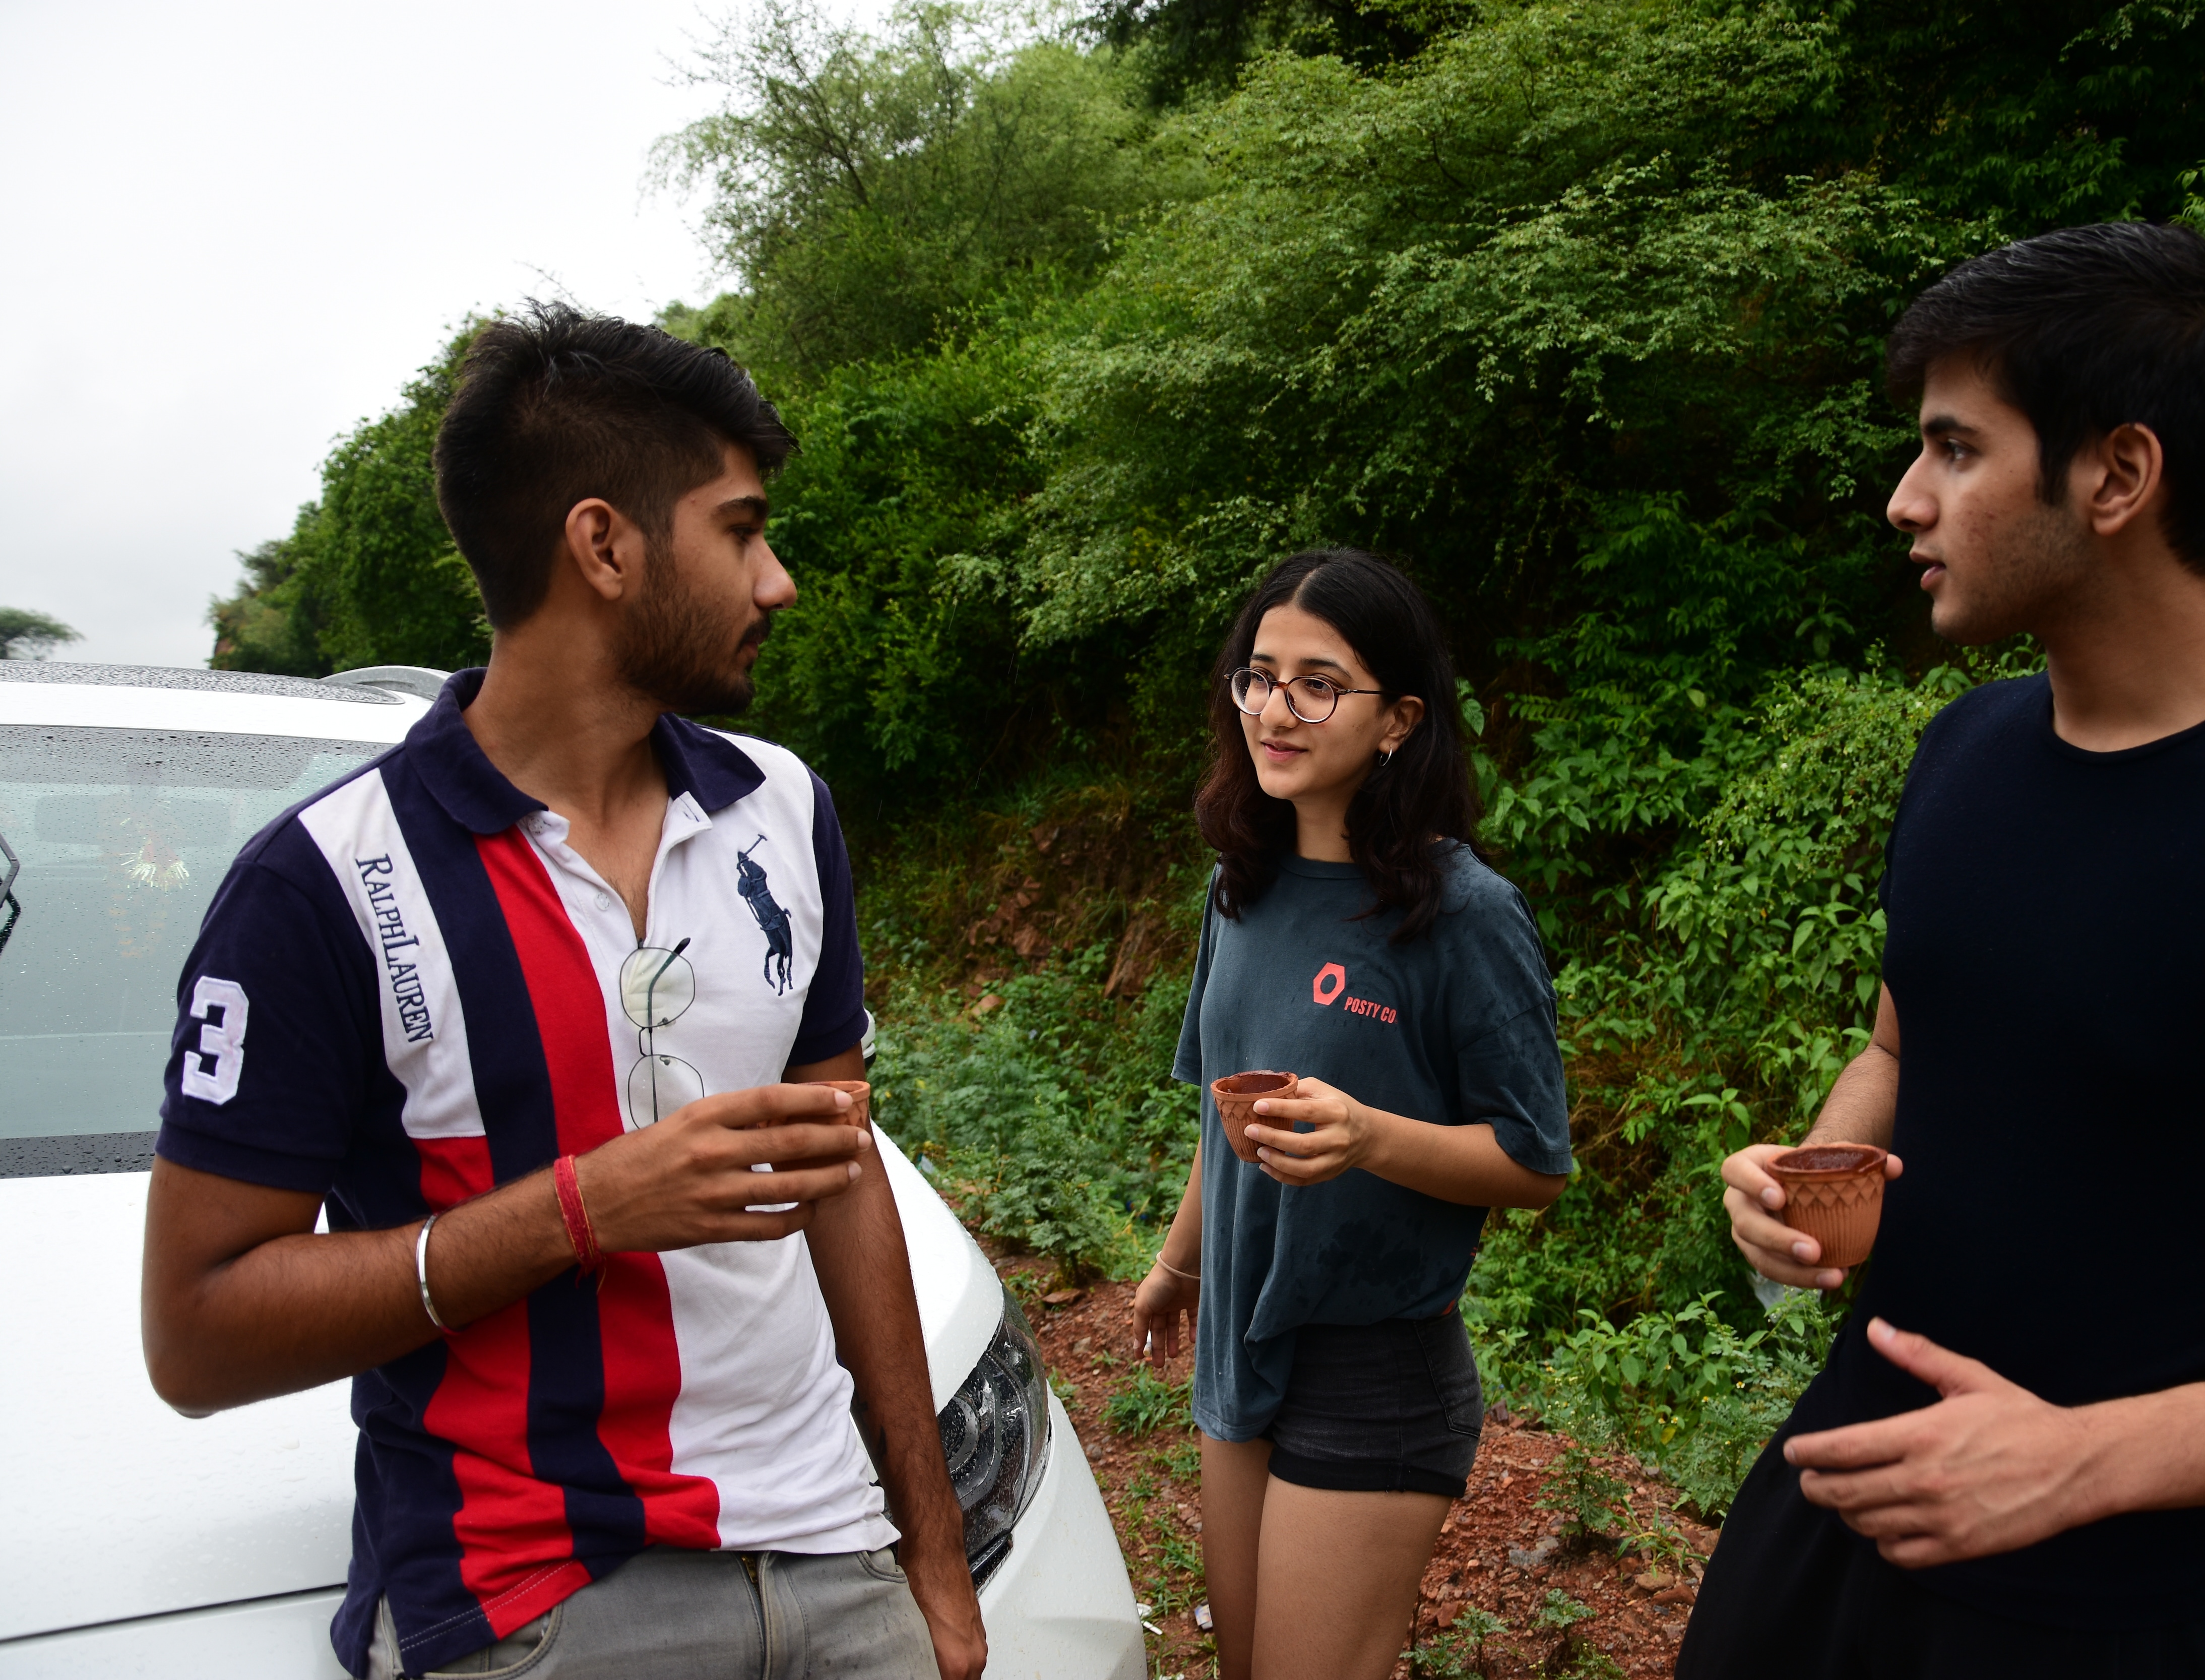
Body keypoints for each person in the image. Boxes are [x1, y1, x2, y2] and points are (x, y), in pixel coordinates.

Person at [1677, 222, 2205, 1678]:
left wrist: (2082, 1458)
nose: (1903, 501)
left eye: (1954, 450)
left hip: (2123, 1606)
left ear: (2119, 475)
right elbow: (1904, 1040)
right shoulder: (1965, 753)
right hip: (1832, 1507)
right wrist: (1812, 1182)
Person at [140, 306, 985, 1680]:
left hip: (840, 1567)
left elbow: (841, 1176)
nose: (778, 581)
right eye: (741, 529)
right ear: (603, 544)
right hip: (538, 1602)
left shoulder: (783, 805)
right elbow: (196, 1330)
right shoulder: (320, 884)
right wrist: (580, 1210)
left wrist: (932, 1555)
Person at [1129, 549, 1573, 1680]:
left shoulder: (1465, 913)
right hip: (1237, 1336)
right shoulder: (1243, 885)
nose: (1276, 708)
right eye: (1259, 675)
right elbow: (1219, 1111)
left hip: (1374, 1365)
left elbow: (1533, 1162)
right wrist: (1179, 1266)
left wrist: (1370, 1134)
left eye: (1317, 682)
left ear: (1398, 720)